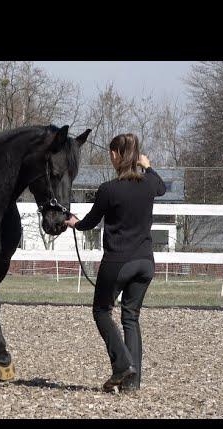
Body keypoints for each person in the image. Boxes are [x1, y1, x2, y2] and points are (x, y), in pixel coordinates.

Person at [65, 133, 166, 392]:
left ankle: (122, 366)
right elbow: (162, 187)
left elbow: (90, 221)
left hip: (118, 262)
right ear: (137, 157)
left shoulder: (109, 190)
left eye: (112, 153)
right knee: (130, 317)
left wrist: (74, 223)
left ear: (115, 155)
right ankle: (132, 383)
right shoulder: (149, 183)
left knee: (101, 311)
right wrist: (148, 165)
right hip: (145, 262)